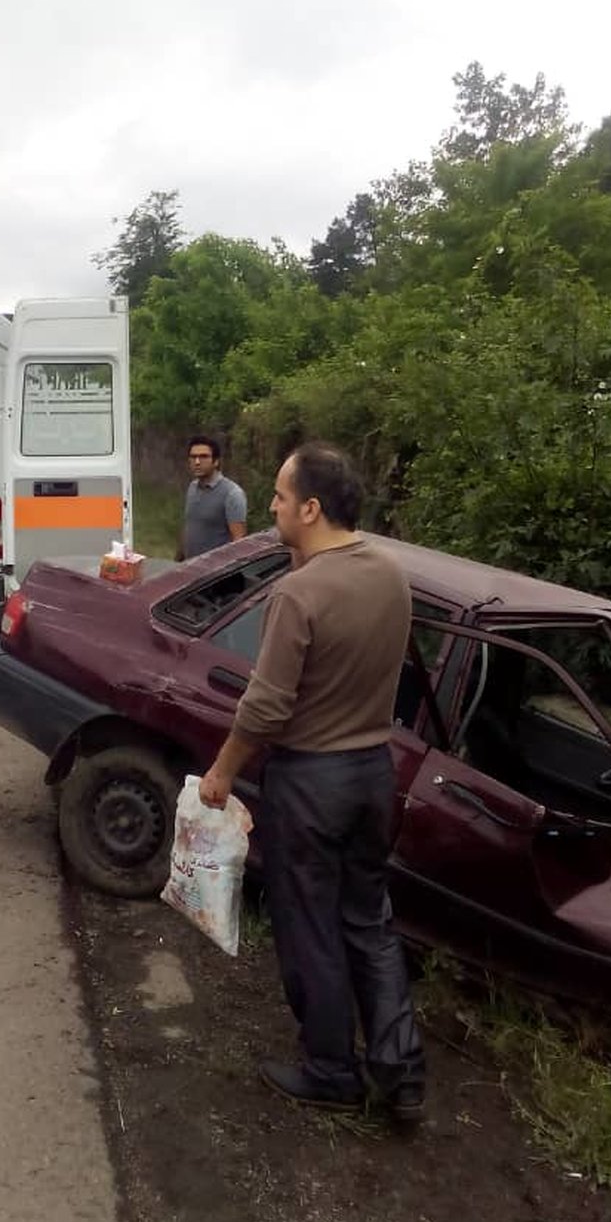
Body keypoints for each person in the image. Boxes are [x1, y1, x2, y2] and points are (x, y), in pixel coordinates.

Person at [199, 441, 426, 1121]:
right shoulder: (391, 574)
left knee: (310, 928)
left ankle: (332, 1070)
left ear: (311, 507)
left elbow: (267, 708)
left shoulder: (297, 594)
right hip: (371, 776)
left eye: (278, 497)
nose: (270, 507)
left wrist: (221, 771)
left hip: (313, 783)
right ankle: (401, 1072)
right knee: (369, 921)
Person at [178, 436, 247, 560]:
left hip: (215, 572)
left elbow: (239, 540)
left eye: (204, 457)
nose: (197, 462)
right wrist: (179, 558)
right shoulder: (192, 488)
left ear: (216, 461)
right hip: (189, 567)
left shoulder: (232, 493)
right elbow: (189, 525)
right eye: (193, 457)